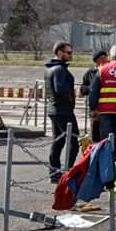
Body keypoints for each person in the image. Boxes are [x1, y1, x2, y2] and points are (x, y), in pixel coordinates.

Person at [45, 41, 79, 182]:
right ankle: (67, 171)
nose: (71, 55)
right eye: (68, 52)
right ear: (59, 52)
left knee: (58, 141)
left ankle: (54, 172)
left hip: (54, 109)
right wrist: (72, 95)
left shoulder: (51, 68)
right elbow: (60, 89)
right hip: (63, 111)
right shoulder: (59, 69)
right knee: (73, 141)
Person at [79, 49, 108, 143]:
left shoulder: (110, 71)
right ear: (96, 61)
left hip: (108, 107)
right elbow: (83, 88)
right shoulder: (90, 72)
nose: (105, 60)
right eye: (102, 58)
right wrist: (90, 90)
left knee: (108, 134)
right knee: (96, 134)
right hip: (95, 109)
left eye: (106, 58)